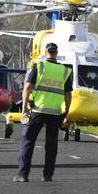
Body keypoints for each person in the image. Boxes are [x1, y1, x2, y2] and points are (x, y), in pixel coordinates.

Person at [15, 42, 73, 182]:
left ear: (45, 52)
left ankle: (22, 175)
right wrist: (66, 112)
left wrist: (24, 108)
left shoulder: (39, 66)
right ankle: (48, 175)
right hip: (55, 113)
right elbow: (68, 95)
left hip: (37, 110)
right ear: (56, 53)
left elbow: (28, 87)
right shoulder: (64, 70)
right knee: (51, 144)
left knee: (28, 141)